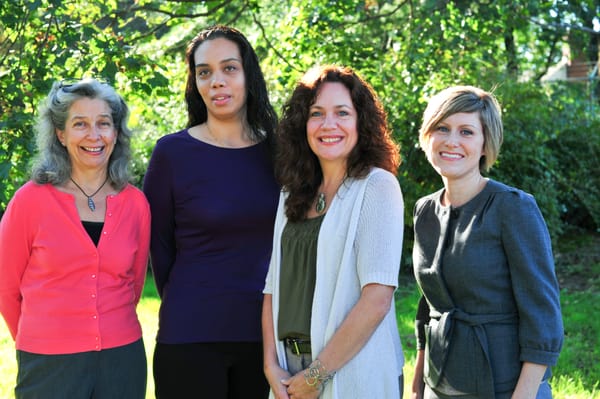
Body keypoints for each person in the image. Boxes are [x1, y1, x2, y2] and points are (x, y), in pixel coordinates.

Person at [143, 25, 279, 398]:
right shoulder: (172, 153)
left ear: (248, 74)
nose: (216, 81)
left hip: (264, 337)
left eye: (228, 68)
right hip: (191, 334)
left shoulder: (280, 153)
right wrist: (195, 299)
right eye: (205, 72)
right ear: (195, 82)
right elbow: (160, 247)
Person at [410, 85, 564, 399]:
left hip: (506, 387)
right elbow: (430, 304)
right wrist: (417, 388)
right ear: (428, 135)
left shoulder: (513, 207)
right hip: (439, 385)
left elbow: (543, 314)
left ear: (484, 144)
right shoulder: (424, 210)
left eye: (466, 131)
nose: (452, 141)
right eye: (443, 128)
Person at [0, 78, 150, 398]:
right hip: (48, 363)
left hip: (122, 358)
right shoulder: (30, 201)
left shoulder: (136, 203)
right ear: (61, 134)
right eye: (80, 124)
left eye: (103, 123)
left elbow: (134, 284)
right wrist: (39, 336)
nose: (94, 135)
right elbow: (6, 285)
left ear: (115, 132)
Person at [262, 65, 405, 399]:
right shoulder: (291, 193)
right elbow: (272, 287)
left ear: (361, 122)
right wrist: (270, 364)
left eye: (342, 112)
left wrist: (316, 376)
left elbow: (377, 300)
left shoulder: (376, 187)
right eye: (317, 114)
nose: (329, 125)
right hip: (288, 370)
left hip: (353, 370)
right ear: (303, 124)